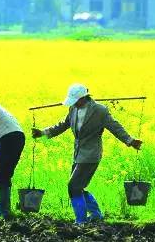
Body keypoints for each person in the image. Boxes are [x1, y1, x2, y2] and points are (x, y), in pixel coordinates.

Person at [32, 83, 142, 224]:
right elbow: (63, 125)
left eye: (75, 101)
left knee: (73, 187)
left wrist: (130, 141)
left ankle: (81, 221)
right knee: (78, 187)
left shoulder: (99, 111)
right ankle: (96, 215)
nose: (73, 104)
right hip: (78, 153)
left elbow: (115, 126)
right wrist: (42, 133)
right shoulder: (73, 108)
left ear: (83, 98)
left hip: (91, 154)